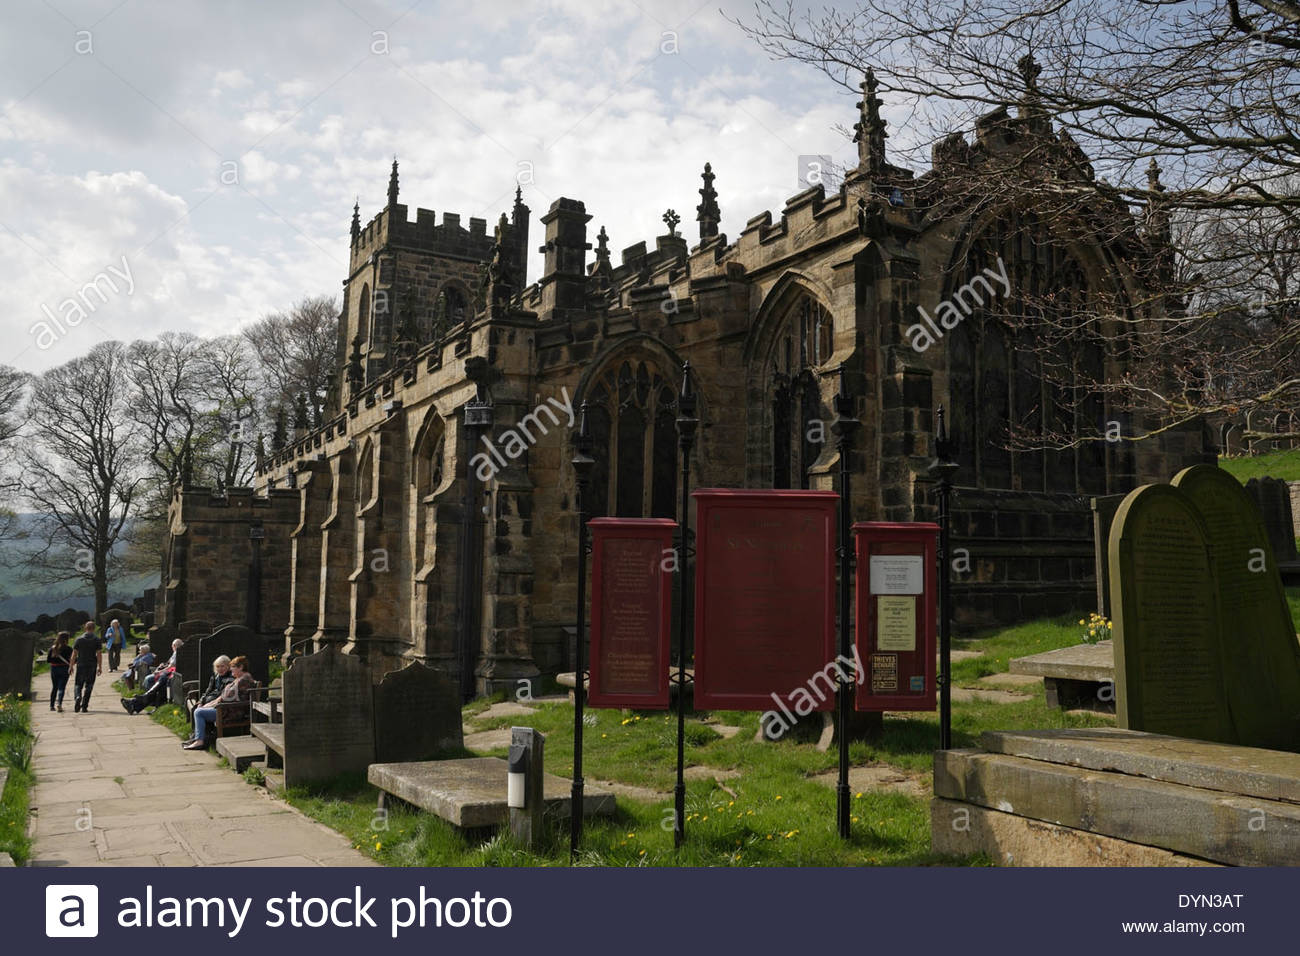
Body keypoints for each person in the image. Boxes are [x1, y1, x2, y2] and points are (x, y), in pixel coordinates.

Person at [184, 655, 254, 750]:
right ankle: (200, 739)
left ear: (241, 667)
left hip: (231, 712)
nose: (231, 670)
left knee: (199, 712)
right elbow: (221, 697)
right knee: (199, 710)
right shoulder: (239, 679)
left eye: (233, 667)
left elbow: (224, 698)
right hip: (227, 708)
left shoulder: (243, 680)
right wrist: (205, 704)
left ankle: (199, 741)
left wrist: (208, 705)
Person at [68, 621, 102, 713]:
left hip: (81, 664)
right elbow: (99, 654)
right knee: (89, 685)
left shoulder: (79, 639)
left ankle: (78, 697)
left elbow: (74, 654)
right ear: (94, 629)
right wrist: (100, 666)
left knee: (78, 684)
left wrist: (71, 666)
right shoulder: (97, 640)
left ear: (85, 628)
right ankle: (84, 706)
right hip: (92, 665)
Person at [46, 632, 72, 713]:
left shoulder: (53, 648)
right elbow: (74, 660)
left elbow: (48, 660)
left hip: (54, 669)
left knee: (54, 687)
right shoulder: (69, 649)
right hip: (64, 668)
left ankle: (51, 706)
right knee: (61, 688)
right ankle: (59, 704)